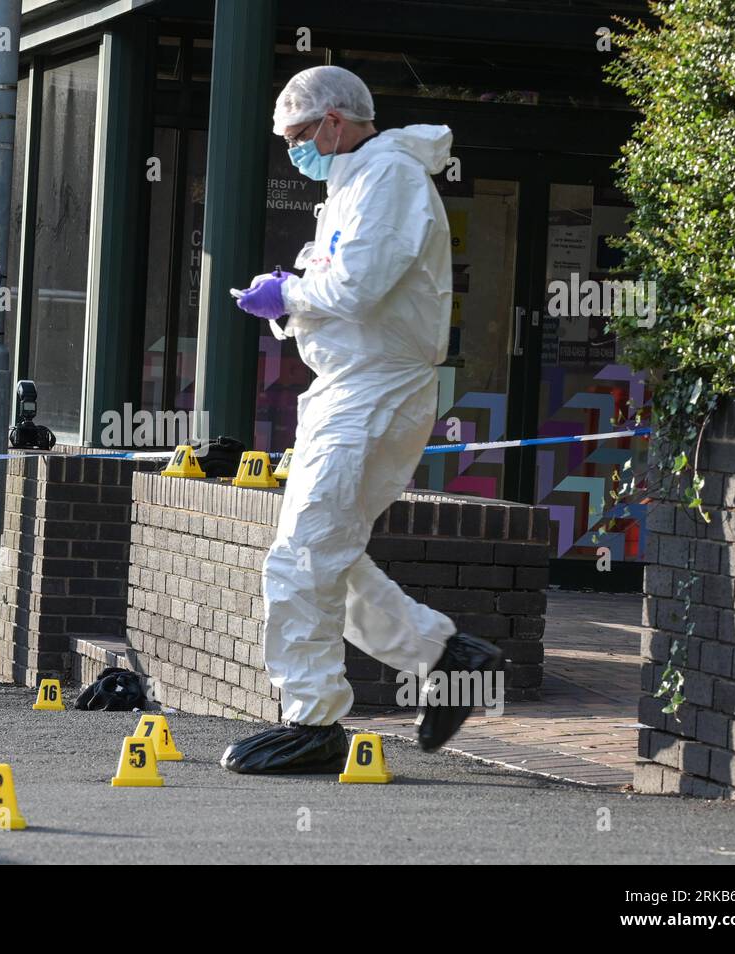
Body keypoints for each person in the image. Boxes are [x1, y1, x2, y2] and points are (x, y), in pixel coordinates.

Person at [223, 66, 503, 774]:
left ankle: (314, 722)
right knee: (326, 553)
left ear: (334, 124)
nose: (294, 151)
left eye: (297, 137)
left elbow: (354, 286)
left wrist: (288, 291)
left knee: (303, 556)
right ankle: (445, 656)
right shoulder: (354, 186)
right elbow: (337, 287)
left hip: (375, 390)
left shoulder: (388, 181)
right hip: (353, 387)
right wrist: (288, 299)